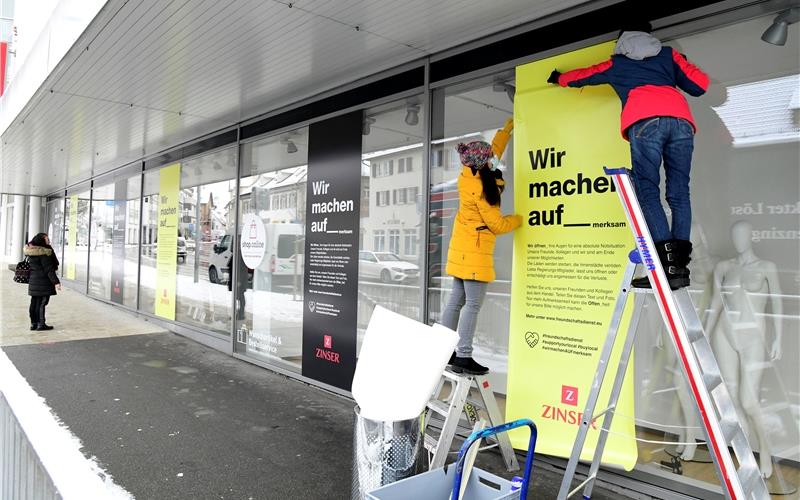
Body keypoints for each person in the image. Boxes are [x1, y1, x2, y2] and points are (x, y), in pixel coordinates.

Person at [547, 20, 709, 289]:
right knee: (680, 193)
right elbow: (700, 85)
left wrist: (558, 78)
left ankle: (665, 266)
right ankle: (678, 268)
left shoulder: (618, 63)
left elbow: (583, 75)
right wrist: (680, 63)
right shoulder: (669, 55)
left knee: (647, 191)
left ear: (621, 40)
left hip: (645, 122)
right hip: (681, 122)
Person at [442, 118, 523, 375]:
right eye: (489, 158)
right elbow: (497, 225)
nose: (493, 158)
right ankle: (463, 356)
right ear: (482, 162)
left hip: (462, 248)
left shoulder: (474, 171)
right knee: (472, 304)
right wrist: (521, 220)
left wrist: (507, 129)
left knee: (455, 302)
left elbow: (496, 151)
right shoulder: (479, 188)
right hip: (474, 251)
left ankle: (444, 351)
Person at [704, 220, 783, 478]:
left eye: (742, 235)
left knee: (750, 401)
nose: (738, 240)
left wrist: (778, 339)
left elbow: (778, 304)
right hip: (724, 333)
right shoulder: (724, 267)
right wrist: (701, 334)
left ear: (751, 237)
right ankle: (745, 455)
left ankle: (766, 452)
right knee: (733, 399)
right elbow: (716, 302)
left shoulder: (766, 267)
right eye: (734, 235)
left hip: (753, 337)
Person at [24, 233, 62, 331]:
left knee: (34, 303)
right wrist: (56, 282)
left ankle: (33, 324)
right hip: (43, 282)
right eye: (47, 239)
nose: (49, 241)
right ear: (41, 241)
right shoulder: (44, 253)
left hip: (34, 281)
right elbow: (49, 270)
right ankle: (41, 324)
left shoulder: (31, 252)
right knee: (41, 303)